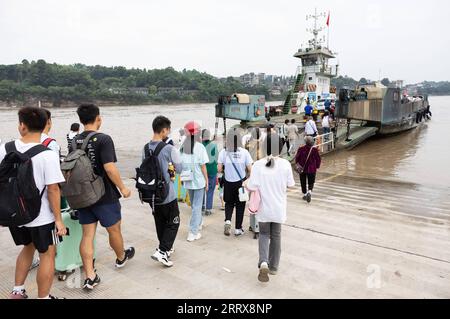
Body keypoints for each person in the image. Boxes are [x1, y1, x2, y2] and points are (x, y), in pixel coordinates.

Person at [0, 107, 67, 299]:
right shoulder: (47, 154)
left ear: (22, 126)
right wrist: (59, 220)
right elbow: (53, 189)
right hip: (42, 217)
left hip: (15, 214)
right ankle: (44, 297)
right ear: (46, 125)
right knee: (47, 254)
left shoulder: (5, 148)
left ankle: (17, 290)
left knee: (27, 247)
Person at [70, 104, 135, 290]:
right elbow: (109, 167)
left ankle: (90, 276)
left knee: (87, 235)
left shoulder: (74, 141)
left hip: (82, 196)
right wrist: (123, 188)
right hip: (104, 194)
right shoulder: (104, 139)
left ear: (81, 120)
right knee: (114, 230)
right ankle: (121, 257)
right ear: (98, 118)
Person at [246, 132, 296, 282]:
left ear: (264, 146)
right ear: (280, 147)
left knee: (263, 234)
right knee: (276, 236)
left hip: (263, 209)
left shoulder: (258, 165)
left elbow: (252, 185)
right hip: (279, 208)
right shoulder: (285, 164)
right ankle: (273, 267)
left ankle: (263, 262)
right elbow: (291, 184)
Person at [144, 116, 182, 267]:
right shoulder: (168, 148)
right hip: (167, 193)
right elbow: (179, 169)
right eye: (169, 130)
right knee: (174, 221)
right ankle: (162, 251)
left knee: (160, 221)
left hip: (150, 194)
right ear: (164, 130)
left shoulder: (145, 148)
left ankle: (164, 248)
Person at [218, 129, 253, 237]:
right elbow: (250, 169)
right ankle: (238, 229)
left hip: (228, 182)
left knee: (229, 203)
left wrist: (226, 169)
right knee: (240, 205)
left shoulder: (223, 152)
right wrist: (248, 179)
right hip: (240, 183)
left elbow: (219, 169)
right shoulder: (244, 152)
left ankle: (228, 221)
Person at [180, 121, 209, 242]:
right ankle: (193, 232)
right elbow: (203, 166)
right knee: (196, 207)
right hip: (198, 181)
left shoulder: (182, 147)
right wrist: (207, 181)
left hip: (187, 180)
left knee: (194, 205)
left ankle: (199, 222)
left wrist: (181, 178)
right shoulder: (200, 147)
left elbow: (179, 164)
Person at [295, 136, 321, 203]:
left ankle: (305, 194)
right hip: (312, 169)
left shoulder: (301, 149)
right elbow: (318, 159)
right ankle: (309, 192)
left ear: (305, 142)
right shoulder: (315, 150)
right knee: (311, 181)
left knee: (303, 182)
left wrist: (297, 164)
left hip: (302, 169)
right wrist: (317, 166)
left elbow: (297, 158)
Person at [202, 129, 218, 216]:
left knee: (202, 188)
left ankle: (202, 206)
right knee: (210, 189)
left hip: (202, 170)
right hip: (212, 169)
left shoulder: (199, 146)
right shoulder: (213, 145)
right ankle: (208, 208)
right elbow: (216, 158)